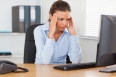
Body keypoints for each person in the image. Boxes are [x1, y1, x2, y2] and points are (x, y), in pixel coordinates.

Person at [34, 0, 82, 64]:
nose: (65, 23)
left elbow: (76, 61)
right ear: (51, 16)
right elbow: (44, 62)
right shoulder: (39, 30)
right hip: (42, 71)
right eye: (61, 19)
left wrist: (73, 34)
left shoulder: (68, 33)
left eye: (67, 19)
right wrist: (51, 35)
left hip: (61, 71)